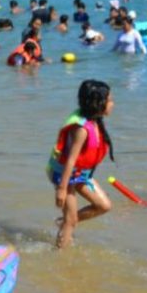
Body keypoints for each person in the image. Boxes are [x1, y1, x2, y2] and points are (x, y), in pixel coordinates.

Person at [48, 80, 114, 248]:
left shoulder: (95, 121)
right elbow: (70, 159)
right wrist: (62, 189)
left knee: (104, 205)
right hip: (66, 175)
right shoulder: (82, 129)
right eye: (110, 100)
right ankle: (60, 256)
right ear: (98, 103)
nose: (113, 104)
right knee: (71, 221)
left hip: (80, 174)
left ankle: (65, 222)